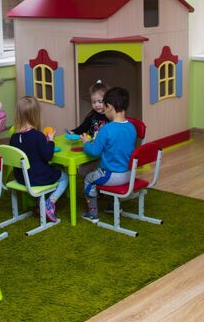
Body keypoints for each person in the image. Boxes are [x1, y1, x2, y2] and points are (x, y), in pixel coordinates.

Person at [80, 87, 136, 223]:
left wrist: (86, 142)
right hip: (129, 174)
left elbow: (94, 151)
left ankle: (92, 213)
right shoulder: (131, 127)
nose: (103, 111)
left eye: (104, 107)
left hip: (112, 176)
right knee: (100, 171)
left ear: (109, 107)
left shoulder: (106, 129)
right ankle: (111, 206)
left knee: (88, 179)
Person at [9, 96, 69, 222]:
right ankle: (49, 203)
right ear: (35, 115)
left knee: (56, 168)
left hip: (21, 177)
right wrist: (50, 141)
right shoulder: (37, 136)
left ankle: (39, 202)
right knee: (65, 177)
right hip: (36, 177)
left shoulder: (14, 137)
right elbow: (48, 156)